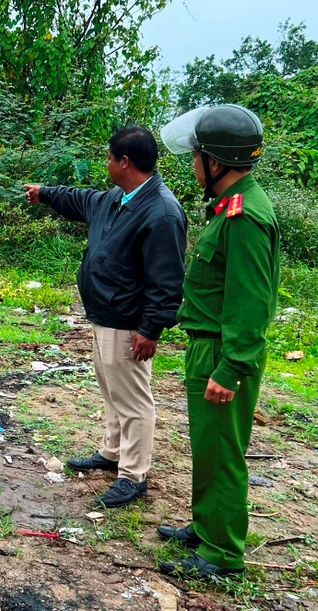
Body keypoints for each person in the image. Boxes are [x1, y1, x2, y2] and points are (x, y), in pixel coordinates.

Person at [24, 127, 187, 508]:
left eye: (109, 157)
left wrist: (151, 329)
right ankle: (112, 452)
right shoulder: (119, 198)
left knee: (133, 399)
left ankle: (133, 475)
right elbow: (81, 199)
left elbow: (167, 280)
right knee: (112, 390)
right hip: (105, 314)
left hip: (130, 322)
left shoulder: (161, 212)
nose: (107, 163)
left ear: (124, 162)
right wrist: (45, 193)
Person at [156, 104, 280, 579]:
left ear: (217, 163)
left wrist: (231, 368)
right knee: (209, 447)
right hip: (209, 345)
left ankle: (222, 553)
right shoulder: (231, 205)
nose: (192, 165)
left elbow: (251, 303)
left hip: (221, 351)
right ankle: (206, 525)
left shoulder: (245, 216)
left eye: (197, 157)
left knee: (222, 452)